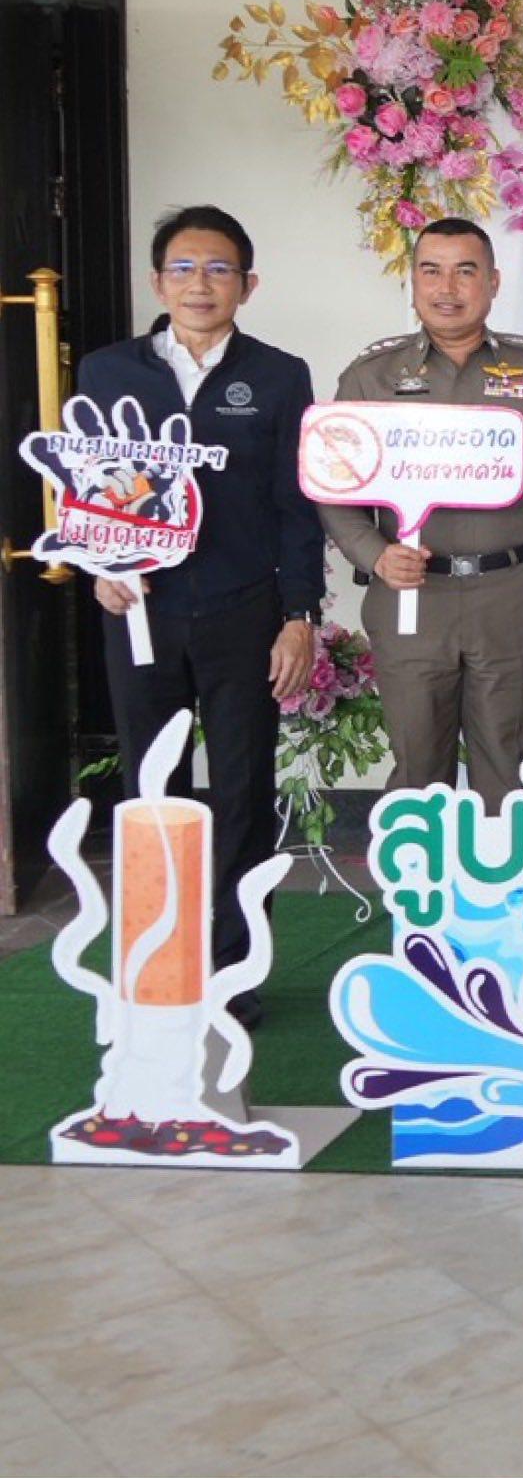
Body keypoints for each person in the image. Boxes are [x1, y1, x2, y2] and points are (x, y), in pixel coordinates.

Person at [75, 205, 324, 999]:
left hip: (244, 610)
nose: (200, 284)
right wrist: (99, 565)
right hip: (141, 613)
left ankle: (235, 973)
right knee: (152, 790)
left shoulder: (278, 376)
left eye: (219, 269)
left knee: (243, 791)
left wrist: (299, 617)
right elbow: (86, 490)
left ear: (248, 285)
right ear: (158, 283)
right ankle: (160, 965)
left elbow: (297, 505)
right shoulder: (107, 372)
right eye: (183, 268)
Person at [321, 219, 523, 807]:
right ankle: (421, 872)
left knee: (505, 773)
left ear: (493, 283)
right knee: (418, 774)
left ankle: (504, 871)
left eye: (465, 271)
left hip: (512, 597)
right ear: (413, 281)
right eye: (431, 271)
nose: (447, 288)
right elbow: (334, 491)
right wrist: (375, 556)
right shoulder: (371, 377)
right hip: (412, 599)